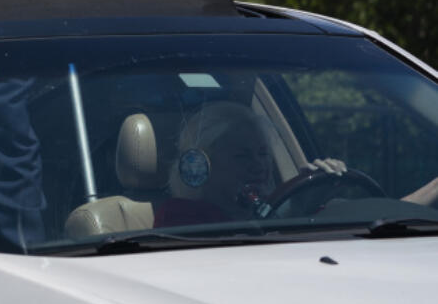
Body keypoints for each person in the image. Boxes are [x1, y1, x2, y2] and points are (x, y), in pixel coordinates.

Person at [157, 101, 438, 226]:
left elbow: (388, 217)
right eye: (242, 157)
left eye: (263, 154)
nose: (259, 166)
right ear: (202, 165)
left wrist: (311, 199)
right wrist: (294, 213)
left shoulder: (281, 208)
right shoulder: (181, 218)